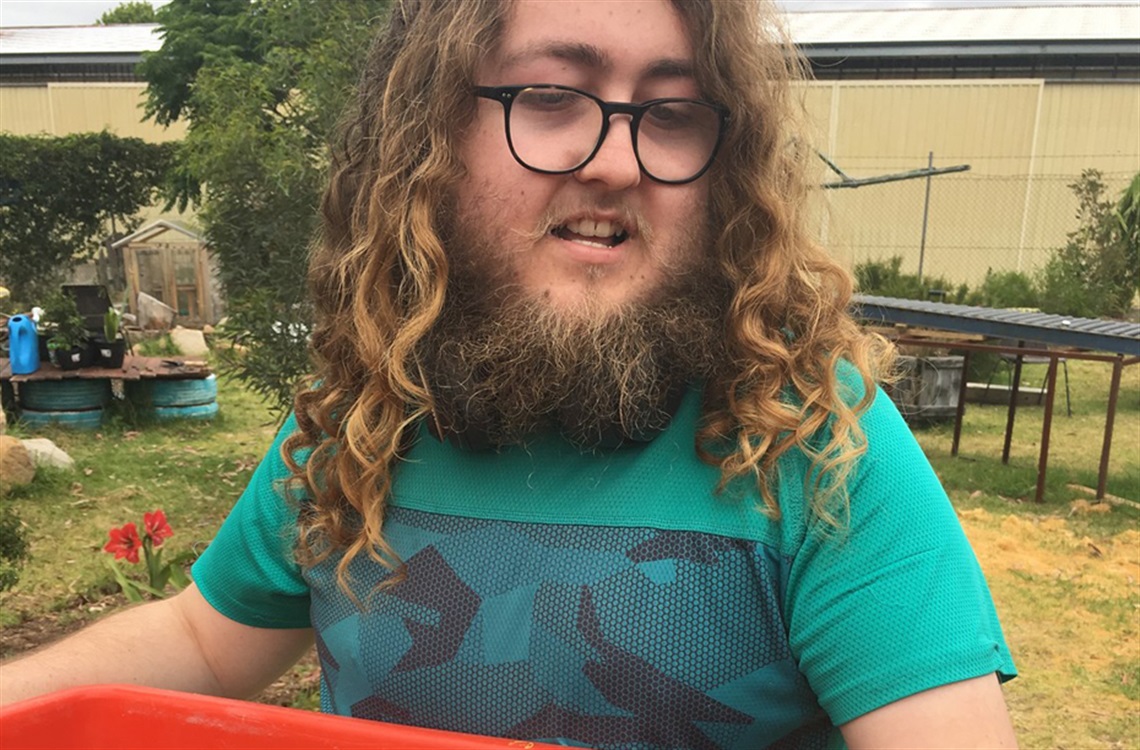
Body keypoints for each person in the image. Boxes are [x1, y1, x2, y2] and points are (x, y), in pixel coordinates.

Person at [0, 1, 1019, 747]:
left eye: (671, 114)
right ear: (431, 138)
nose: (618, 160)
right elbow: (208, 644)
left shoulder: (809, 437)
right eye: (549, 96)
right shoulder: (367, 416)